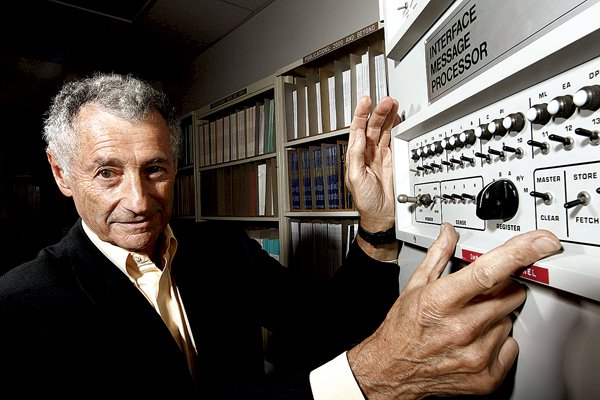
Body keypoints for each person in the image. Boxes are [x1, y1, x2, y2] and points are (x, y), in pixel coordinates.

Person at [0, 73, 562, 399]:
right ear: (61, 174)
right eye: (107, 173)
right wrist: (368, 379)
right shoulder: (20, 305)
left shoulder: (223, 251)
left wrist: (376, 227)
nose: (140, 201)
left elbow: (328, 330)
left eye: (155, 168)